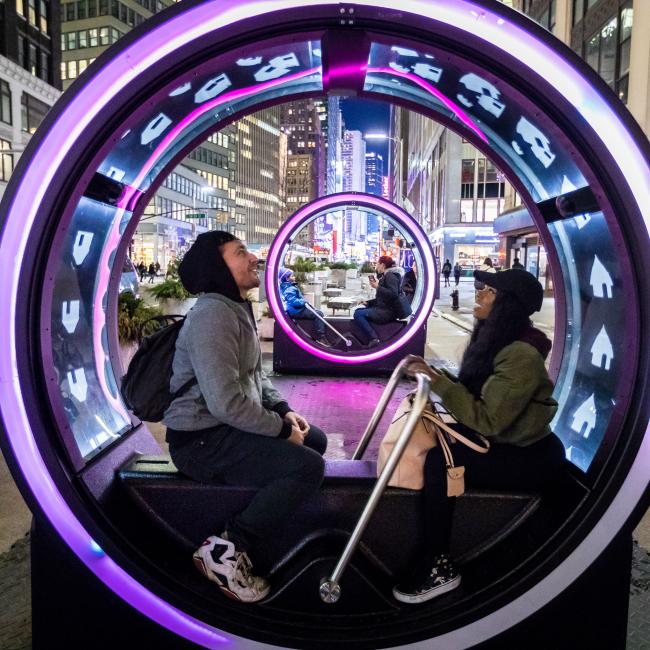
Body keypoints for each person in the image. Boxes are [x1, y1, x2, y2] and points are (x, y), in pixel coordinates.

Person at [163, 231, 327, 603]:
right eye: (241, 252)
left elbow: (255, 376)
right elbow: (225, 402)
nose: (254, 257)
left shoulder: (235, 307)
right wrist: (280, 432)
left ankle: (271, 525)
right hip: (200, 441)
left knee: (314, 440)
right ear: (218, 267)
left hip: (223, 428)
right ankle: (226, 549)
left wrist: (285, 412)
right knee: (307, 467)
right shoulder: (212, 315)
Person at [393, 268, 564, 605]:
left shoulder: (521, 355)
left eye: (489, 291)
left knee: (441, 463)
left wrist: (438, 382)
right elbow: (473, 394)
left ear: (506, 305)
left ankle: (439, 565)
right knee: (439, 444)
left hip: (529, 457)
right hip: (509, 442)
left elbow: (489, 421)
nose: (479, 295)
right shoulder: (499, 343)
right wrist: (433, 374)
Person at [353, 255, 405, 347]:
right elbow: (383, 297)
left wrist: (377, 286)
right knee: (358, 311)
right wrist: (368, 302)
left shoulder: (390, 276)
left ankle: (374, 338)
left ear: (382, 265)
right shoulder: (386, 276)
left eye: (377, 263)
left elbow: (393, 294)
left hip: (387, 312)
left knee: (358, 314)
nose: (376, 266)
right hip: (384, 309)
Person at [279, 268, 331, 347]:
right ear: (286, 278)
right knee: (318, 314)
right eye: (292, 276)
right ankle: (321, 336)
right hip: (296, 311)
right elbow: (294, 302)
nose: (294, 277)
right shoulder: (289, 289)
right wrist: (303, 302)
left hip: (296, 310)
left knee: (316, 311)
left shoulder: (288, 287)